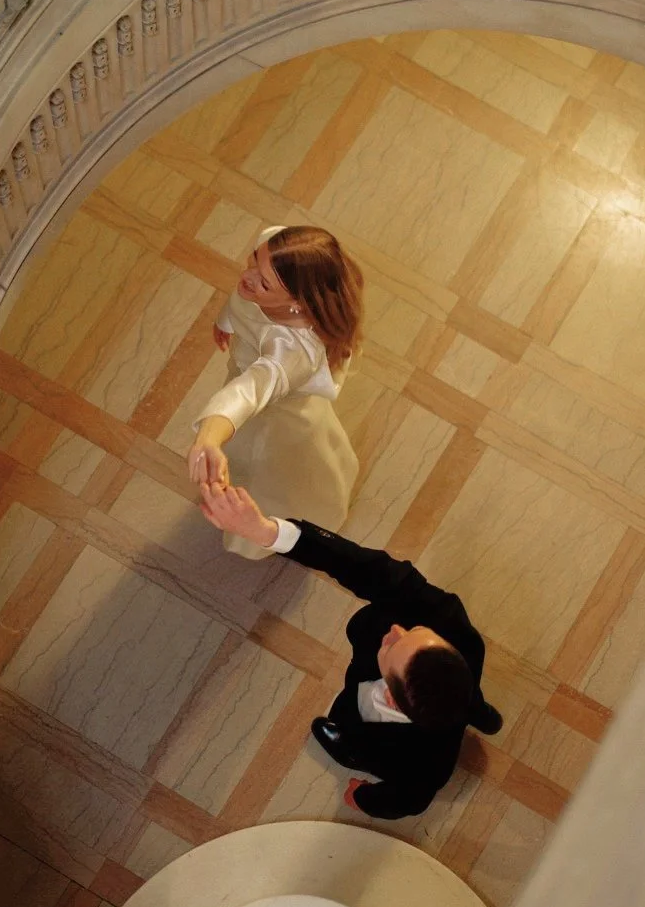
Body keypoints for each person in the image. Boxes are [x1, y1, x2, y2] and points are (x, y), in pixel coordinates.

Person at [197, 481, 504, 821]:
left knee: (353, 729)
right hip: (456, 686)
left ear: (390, 698)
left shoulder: (425, 764)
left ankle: (349, 746)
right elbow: (365, 567)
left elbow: (409, 800)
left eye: (393, 647)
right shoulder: (449, 621)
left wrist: (364, 799)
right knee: (469, 696)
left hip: (378, 741)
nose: (395, 630)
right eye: (418, 632)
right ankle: (481, 713)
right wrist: (267, 532)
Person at [186, 224, 362, 559]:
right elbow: (243, 301)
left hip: (277, 416)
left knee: (272, 469)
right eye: (254, 260)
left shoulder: (295, 351)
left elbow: (250, 391)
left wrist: (208, 437)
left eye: (264, 282)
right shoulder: (275, 245)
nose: (248, 276)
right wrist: (226, 321)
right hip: (244, 379)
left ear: (298, 303)